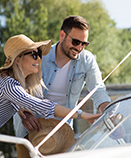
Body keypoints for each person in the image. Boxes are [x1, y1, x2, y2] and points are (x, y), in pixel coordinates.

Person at [14, 15, 111, 145]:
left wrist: (108, 114)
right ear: (62, 35)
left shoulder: (87, 60)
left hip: (62, 133)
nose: (80, 48)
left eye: (84, 44)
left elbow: (98, 91)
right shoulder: (39, 56)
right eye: (76, 42)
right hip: (30, 131)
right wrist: (24, 113)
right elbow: (16, 89)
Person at [0, 34, 100, 156]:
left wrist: (23, 113)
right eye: (34, 55)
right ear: (18, 59)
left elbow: (18, 102)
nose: (38, 59)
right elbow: (44, 106)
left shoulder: (11, 84)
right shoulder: (10, 85)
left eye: (39, 55)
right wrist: (83, 115)